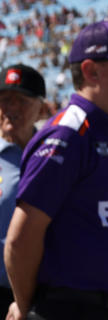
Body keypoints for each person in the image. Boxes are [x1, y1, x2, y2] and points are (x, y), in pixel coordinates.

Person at [4, 21, 108, 320]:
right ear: (90, 71)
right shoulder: (68, 134)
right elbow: (20, 238)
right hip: (69, 309)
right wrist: (25, 308)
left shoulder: (103, 132)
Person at [0, 65, 48, 313]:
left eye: (21, 100)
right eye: (5, 100)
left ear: (41, 109)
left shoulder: (54, 158)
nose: (11, 108)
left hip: (42, 297)